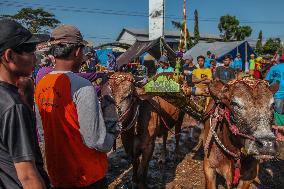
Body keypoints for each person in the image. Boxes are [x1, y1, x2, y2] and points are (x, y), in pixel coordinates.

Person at [35, 25, 119, 188]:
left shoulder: (41, 85)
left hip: (58, 174)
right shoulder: (83, 86)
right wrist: (113, 132)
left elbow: (43, 131)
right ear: (77, 52)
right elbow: (96, 140)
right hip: (87, 176)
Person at [0, 19, 49, 189]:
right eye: (30, 50)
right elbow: (27, 176)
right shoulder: (13, 106)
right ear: (9, 56)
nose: (35, 58)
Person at [266, 54, 284, 125]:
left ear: (279, 60)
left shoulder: (274, 68)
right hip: (279, 93)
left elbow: (267, 80)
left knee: (277, 114)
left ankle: (277, 130)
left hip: (277, 93)